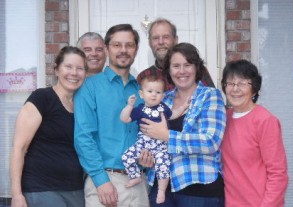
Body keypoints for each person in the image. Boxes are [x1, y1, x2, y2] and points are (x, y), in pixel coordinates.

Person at [139, 42, 226, 207]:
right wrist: (147, 158)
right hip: (161, 191)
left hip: (199, 192)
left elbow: (211, 141)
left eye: (187, 65)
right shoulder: (163, 100)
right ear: (169, 71)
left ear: (197, 68)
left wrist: (166, 136)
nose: (182, 71)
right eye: (176, 66)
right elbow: (150, 137)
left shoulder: (210, 96)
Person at [74, 24, 150, 207]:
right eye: (117, 45)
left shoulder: (142, 92)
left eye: (129, 45)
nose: (123, 50)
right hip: (105, 182)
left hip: (138, 183)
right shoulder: (89, 87)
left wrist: (149, 158)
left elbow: (146, 134)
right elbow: (84, 137)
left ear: (136, 49)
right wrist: (101, 180)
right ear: (107, 49)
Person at [10, 46, 87, 207]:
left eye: (80, 68)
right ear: (56, 70)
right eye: (68, 66)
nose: (74, 73)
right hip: (42, 189)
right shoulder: (42, 98)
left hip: (76, 190)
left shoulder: (82, 106)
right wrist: (17, 195)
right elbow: (19, 148)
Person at [221, 59, 288, 206]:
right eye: (230, 83)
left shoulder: (265, 121)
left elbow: (278, 174)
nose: (235, 89)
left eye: (243, 83)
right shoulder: (223, 119)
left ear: (254, 88)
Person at [120, 75, 189, 204]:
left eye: (158, 92)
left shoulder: (163, 107)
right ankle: (135, 176)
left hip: (161, 146)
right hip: (143, 144)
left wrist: (183, 107)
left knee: (163, 166)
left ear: (163, 96)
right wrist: (129, 106)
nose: (153, 95)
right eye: (150, 91)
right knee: (126, 156)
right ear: (141, 94)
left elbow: (173, 115)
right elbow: (125, 119)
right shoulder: (140, 109)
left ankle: (161, 191)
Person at [137, 18, 215, 90]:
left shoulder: (196, 71)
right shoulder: (144, 77)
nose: (161, 42)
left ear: (175, 40)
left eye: (166, 37)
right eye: (156, 38)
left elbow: (212, 98)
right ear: (150, 43)